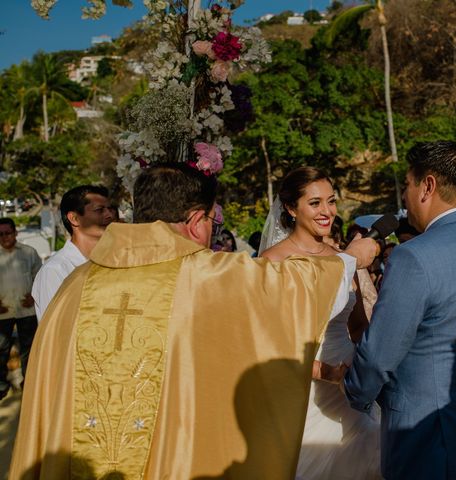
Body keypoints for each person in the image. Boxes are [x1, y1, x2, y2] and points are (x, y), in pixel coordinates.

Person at [9, 163, 378, 479]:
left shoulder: (77, 284)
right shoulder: (203, 276)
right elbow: (287, 291)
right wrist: (350, 260)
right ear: (195, 220)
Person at [344, 141, 456, 480]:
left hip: (426, 438)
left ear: (428, 186)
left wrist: (354, 394)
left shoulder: (414, 256)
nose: (405, 198)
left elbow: (379, 355)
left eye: (408, 185)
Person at [260, 167, 381, 480]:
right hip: (304, 387)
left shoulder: (344, 258)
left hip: (349, 385)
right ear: (290, 208)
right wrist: (325, 372)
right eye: (315, 203)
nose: (327, 211)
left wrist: (372, 361)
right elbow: (269, 342)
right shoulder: (273, 263)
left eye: (331, 201)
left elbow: (357, 325)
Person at [31, 185, 115, 322]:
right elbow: (55, 328)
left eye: (110, 209)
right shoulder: (54, 271)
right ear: (74, 218)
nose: (109, 215)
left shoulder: (112, 260)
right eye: (99, 210)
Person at [0, 218, 42, 400]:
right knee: (1, 349)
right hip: (3, 312)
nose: (4, 237)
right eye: (0, 234)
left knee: (29, 349)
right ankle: (1, 384)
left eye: (8, 233)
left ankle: (29, 382)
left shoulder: (29, 253)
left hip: (27, 310)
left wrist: (34, 295)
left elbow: (40, 277)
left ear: (15, 233)